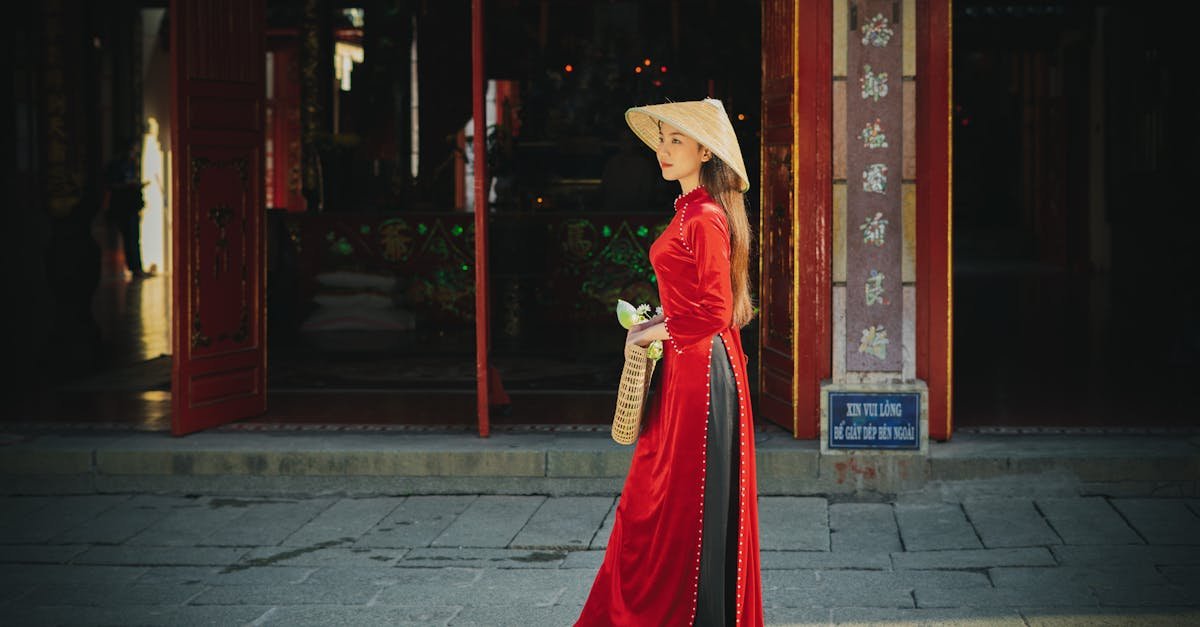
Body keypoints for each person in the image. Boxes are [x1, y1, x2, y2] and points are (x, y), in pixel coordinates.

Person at [576, 98, 763, 626]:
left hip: (700, 372)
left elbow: (714, 310)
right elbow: (697, 302)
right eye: (661, 139)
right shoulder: (691, 210)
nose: (663, 149)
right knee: (665, 497)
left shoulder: (703, 216)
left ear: (705, 150)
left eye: (676, 140)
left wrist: (647, 331)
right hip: (693, 364)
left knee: (677, 501)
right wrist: (657, 322)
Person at [104, 139, 150, 279]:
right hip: (122, 206)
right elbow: (111, 184)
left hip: (131, 204)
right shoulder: (117, 165)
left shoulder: (131, 164)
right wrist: (126, 186)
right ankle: (131, 268)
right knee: (128, 238)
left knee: (134, 238)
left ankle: (136, 268)